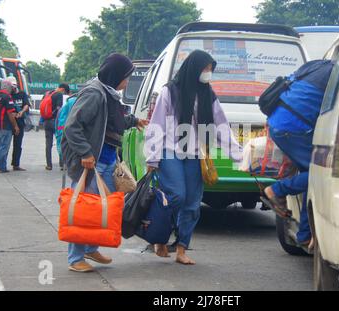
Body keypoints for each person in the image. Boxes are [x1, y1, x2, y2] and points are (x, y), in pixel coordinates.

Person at [144, 50, 243, 265]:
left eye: (210, 70)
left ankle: (181, 249)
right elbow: (157, 124)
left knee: (191, 204)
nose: (208, 74)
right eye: (205, 69)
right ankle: (159, 238)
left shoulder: (209, 94)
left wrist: (238, 155)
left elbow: (221, 126)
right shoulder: (169, 92)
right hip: (170, 151)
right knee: (176, 195)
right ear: (193, 68)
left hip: (196, 154)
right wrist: (152, 158)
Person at [62, 53, 149, 273]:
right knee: (84, 209)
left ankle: (91, 247)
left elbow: (112, 120)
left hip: (108, 160)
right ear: (115, 75)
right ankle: (75, 258)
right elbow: (73, 126)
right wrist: (85, 153)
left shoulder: (109, 94)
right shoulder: (94, 93)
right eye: (126, 77)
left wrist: (134, 121)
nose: (127, 82)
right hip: (92, 162)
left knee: (101, 209)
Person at [263, 60, 334, 249]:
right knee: (319, 173)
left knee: (308, 174)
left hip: (277, 121)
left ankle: (304, 235)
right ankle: (277, 190)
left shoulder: (316, 65)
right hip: (294, 128)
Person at [0, 78, 20, 173]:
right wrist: (16, 126)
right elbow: (10, 114)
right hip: (5, 126)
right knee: (4, 148)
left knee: (1, 146)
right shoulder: (7, 98)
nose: (12, 89)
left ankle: (3, 167)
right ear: (7, 87)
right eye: (11, 87)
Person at [45, 83, 70, 171]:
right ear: (63, 89)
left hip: (46, 121)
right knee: (60, 141)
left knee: (48, 143)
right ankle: (62, 164)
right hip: (55, 122)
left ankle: (49, 165)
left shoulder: (48, 93)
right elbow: (59, 108)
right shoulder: (59, 94)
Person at [8, 76, 30, 171]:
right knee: (5, 144)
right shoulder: (8, 95)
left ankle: (16, 164)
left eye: (12, 87)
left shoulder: (22, 94)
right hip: (9, 123)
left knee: (18, 144)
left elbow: (26, 104)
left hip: (20, 123)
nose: (11, 89)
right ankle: (0, 164)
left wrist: (22, 112)